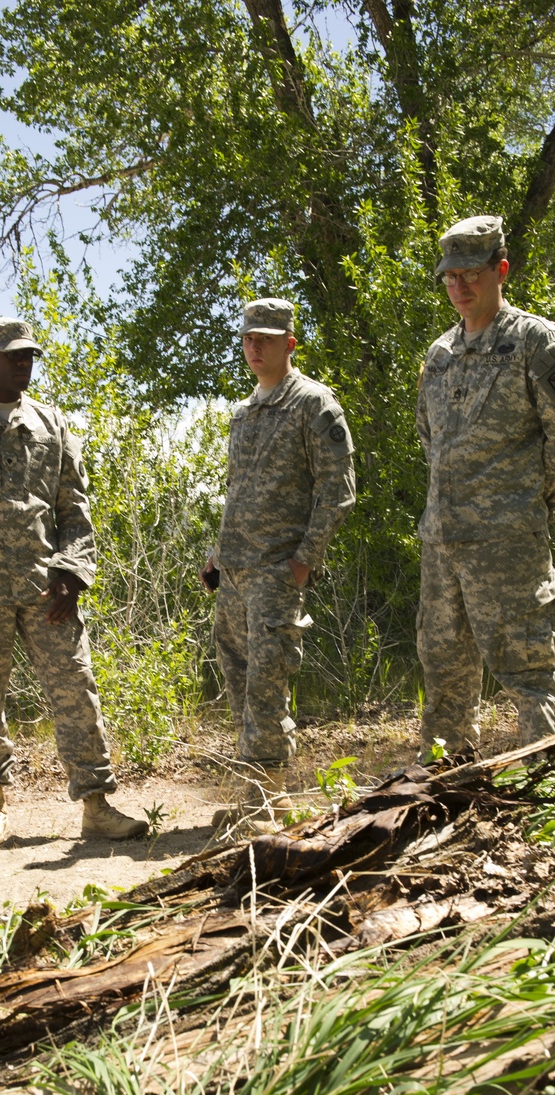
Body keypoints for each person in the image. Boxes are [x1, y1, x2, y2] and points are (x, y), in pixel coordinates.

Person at [0, 318, 147, 844]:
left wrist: (71, 572)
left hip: (46, 589)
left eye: (29, 357)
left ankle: (96, 805)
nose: (23, 364)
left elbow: (75, 510)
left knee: (75, 690)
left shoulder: (53, 424)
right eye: (12, 356)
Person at [415, 214, 555, 760]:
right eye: (450, 276)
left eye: (471, 272)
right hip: (443, 541)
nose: (459, 286)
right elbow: (431, 439)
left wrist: (529, 503)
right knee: (443, 675)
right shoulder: (439, 354)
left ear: (501, 271)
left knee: (529, 670)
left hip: (508, 541)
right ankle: (446, 790)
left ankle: (554, 799)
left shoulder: (533, 340)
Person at [202, 298, 355, 833]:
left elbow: (337, 491)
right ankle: (263, 797)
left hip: (275, 574)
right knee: (243, 686)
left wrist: (303, 562)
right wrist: (217, 555)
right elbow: (239, 492)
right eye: (248, 338)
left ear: (290, 342)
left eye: (266, 338)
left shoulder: (314, 405)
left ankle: (267, 802)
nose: (255, 346)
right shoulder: (245, 413)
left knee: (268, 686)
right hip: (236, 575)